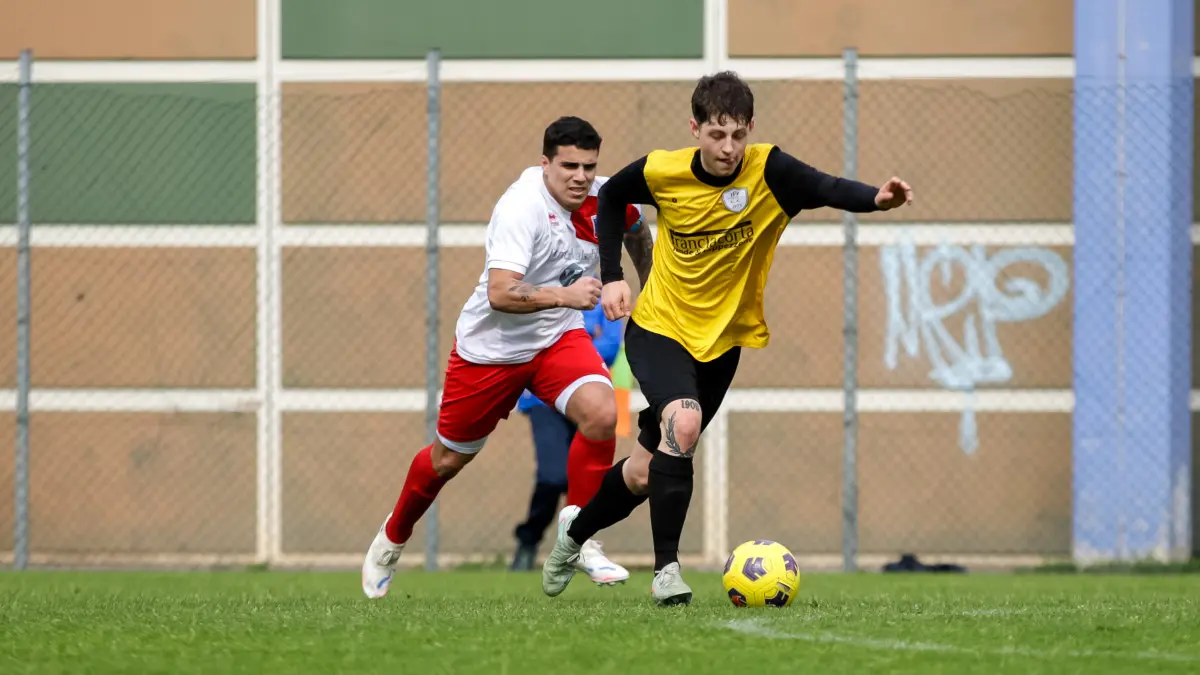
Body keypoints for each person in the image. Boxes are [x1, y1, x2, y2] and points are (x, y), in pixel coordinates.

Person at [541, 71, 914, 606]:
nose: (728, 148)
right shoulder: (662, 170)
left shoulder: (769, 171)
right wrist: (614, 274)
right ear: (695, 129)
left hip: (721, 345)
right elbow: (611, 196)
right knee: (684, 422)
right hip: (660, 327)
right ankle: (666, 572)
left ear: (750, 129)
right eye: (717, 135)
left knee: (645, 471)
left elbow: (827, 187)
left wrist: (877, 199)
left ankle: (572, 537)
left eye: (738, 135)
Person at [360, 116, 652, 599]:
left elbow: (637, 229)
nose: (580, 177)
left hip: (556, 340)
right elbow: (500, 293)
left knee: (604, 414)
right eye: (569, 166)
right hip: (491, 352)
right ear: (545, 163)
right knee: (447, 460)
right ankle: (391, 539)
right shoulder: (521, 207)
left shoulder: (605, 197)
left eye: (589, 166)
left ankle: (580, 540)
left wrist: (650, 288)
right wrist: (566, 296)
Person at [510, 301, 624, 572]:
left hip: (587, 399)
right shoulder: (543, 289)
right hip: (542, 399)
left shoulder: (601, 293)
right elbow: (528, 342)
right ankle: (529, 540)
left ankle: (577, 547)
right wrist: (583, 345)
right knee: (554, 477)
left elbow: (610, 347)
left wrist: (558, 353)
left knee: (584, 477)